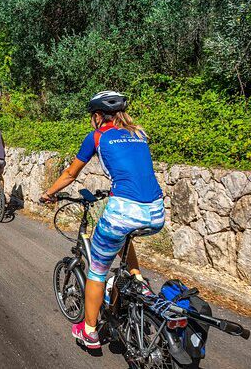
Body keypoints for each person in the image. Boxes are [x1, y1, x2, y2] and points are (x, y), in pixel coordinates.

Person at [40, 91, 165, 349]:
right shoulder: (139, 133)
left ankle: (89, 331)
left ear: (98, 116)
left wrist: (48, 193)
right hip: (156, 212)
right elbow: (133, 170)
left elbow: (71, 174)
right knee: (121, 238)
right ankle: (138, 281)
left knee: (97, 270)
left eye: (91, 116)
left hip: (124, 211)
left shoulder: (96, 136)